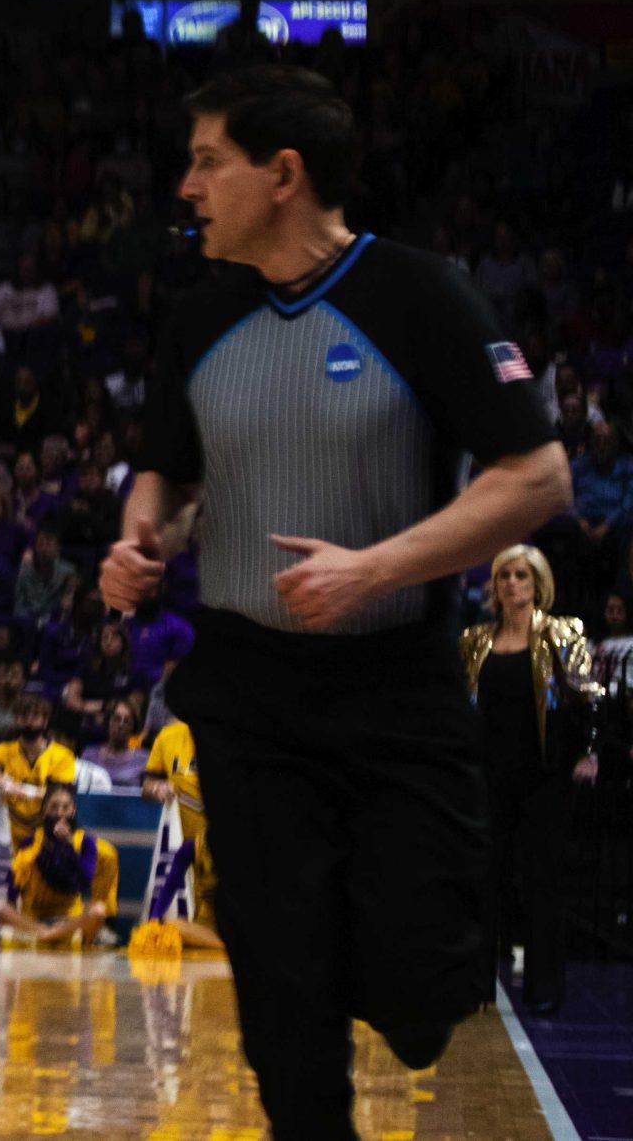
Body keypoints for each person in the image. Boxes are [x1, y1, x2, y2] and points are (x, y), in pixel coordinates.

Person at [104, 65, 570, 1140]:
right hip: (247, 695)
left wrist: (373, 568)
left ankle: (395, 987)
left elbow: (536, 477)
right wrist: (141, 539)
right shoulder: (197, 317)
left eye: (206, 161)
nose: (186, 186)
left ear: (283, 173)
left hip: (392, 687)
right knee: (278, 978)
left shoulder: (419, 294)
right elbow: (166, 478)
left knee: (424, 984)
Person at [460, 545, 602, 1015]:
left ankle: (544, 988)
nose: (511, 584)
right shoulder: (475, 640)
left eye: (521, 575)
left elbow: (588, 697)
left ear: (537, 583)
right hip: (488, 775)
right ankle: (476, 985)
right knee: (484, 878)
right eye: (503, 576)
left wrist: (589, 752)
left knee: (541, 881)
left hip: (543, 775)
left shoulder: (561, 634)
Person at [0, 781, 118, 946]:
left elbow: (84, 881)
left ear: (73, 811)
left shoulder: (86, 843)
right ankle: (46, 934)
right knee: (0, 908)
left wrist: (68, 845)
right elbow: (14, 884)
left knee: (98, 911)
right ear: (44, 811)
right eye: (54, 807)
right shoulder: (30, 842)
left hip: (68, 918)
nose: (60, 813)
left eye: (65, 807)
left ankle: (49, 935)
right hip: (35, 917)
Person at [141, 712, 221, 951]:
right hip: (208, 924)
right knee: (173, 926)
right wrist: (152, 927)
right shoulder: (193, 847)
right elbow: (169, 886)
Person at [0, 694, 77, 852]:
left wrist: (22, 789)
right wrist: (0, 781)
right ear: (16, 719)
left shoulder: (63, 756)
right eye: (24, 716)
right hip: (8, 838)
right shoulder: (3, 750)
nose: (29, 721)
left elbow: (59, 794)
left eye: (35, 716)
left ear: (45, 721)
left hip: (47, 836)